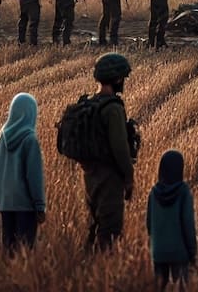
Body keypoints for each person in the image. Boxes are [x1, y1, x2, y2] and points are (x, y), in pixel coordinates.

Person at [83, 53, 136, 251]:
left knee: (93, 223)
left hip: (90, 175)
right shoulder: (112, 108)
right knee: (110, 230)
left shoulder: (90, 103)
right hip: (109, 176)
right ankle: (103, 269)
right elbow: (120, 148)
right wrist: (128, 177)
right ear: (118, 79)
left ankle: (87, 263)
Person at [0, 92, 46, 253]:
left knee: (8, 251)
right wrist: (40, 205)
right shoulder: (30, 140)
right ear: (31, 113)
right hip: (26, 206)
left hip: (5, 204)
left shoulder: (2, 136)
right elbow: (34, 177)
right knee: (24, 253)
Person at [147, 150, 197, 288]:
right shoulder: (183, 192)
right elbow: (188, 224)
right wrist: (192, 252)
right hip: (179, 252)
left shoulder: (153, 193)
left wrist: (154, 246)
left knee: (159, 286)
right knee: (182, 286)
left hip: (158, 252)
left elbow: (149, 224)